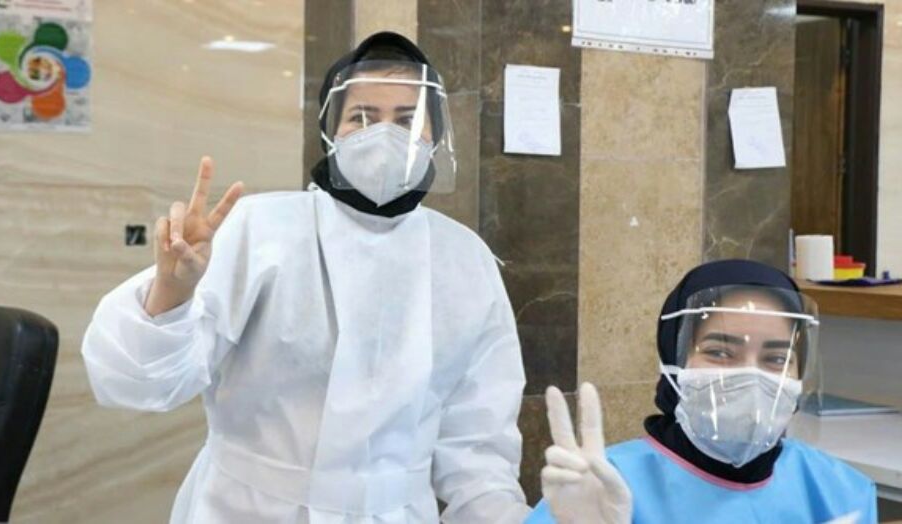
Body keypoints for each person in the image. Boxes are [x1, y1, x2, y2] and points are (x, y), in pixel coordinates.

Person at [81, 32, 531, 523]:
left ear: (433, 136)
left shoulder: (464, 260)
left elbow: (478, 451)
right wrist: (173, 290)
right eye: (362, 117)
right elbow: (138, 382)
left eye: (407, 120)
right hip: (248, 510)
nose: (385, 136)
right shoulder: (259, 229)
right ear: (330, 130)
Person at [526, 259, 878, 524]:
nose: (750, 376)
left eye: (775, 359)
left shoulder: (838, 490)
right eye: (720, 353)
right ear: (674, 362)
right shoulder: (601, 485)